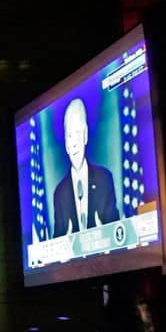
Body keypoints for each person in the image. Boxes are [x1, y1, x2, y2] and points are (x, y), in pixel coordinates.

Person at [52, 97, 120, 237]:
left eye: (78, 133)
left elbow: (116, 232)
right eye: (70, 136)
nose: (74, 143)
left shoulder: (104, 179)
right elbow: (57, 241)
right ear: (66, 145)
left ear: (85, 136)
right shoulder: (59, 193)